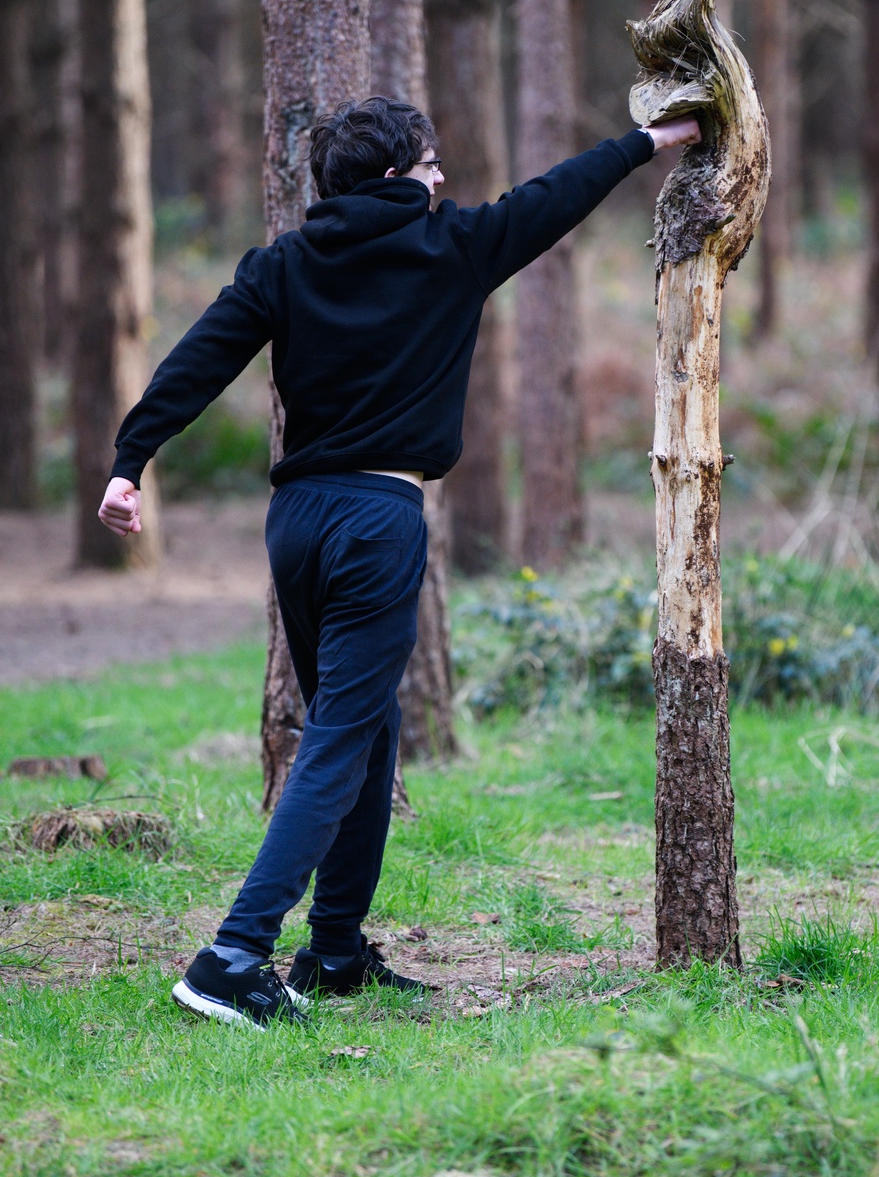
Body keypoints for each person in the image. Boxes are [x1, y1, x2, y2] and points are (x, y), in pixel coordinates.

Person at [99, 95, 700, 1027]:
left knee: (369, 733)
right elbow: (555, 197)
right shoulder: (451, 246)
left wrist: (130, 461)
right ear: (392, 177)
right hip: (377, 519)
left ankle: (335, 953)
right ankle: (232, 956)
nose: (442, 177)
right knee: (342, 737)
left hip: (297, 521)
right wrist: (646, 144)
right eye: (428, 164)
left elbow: (197, 360)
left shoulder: (283, 263)